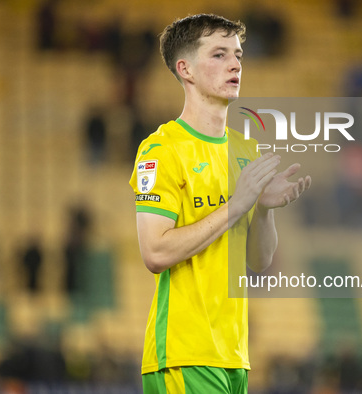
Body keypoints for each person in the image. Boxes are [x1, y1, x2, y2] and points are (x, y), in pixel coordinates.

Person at [129, 14, 311, 393]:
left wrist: (262, 209)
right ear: (186, 69)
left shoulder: (246, 150)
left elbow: (258, 261)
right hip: (184, 354)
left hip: (234, 356)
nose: (235, 64)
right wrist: (237, 204)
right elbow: (155, 252)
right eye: (219, 55)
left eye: (239, 55)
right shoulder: (161, 150)